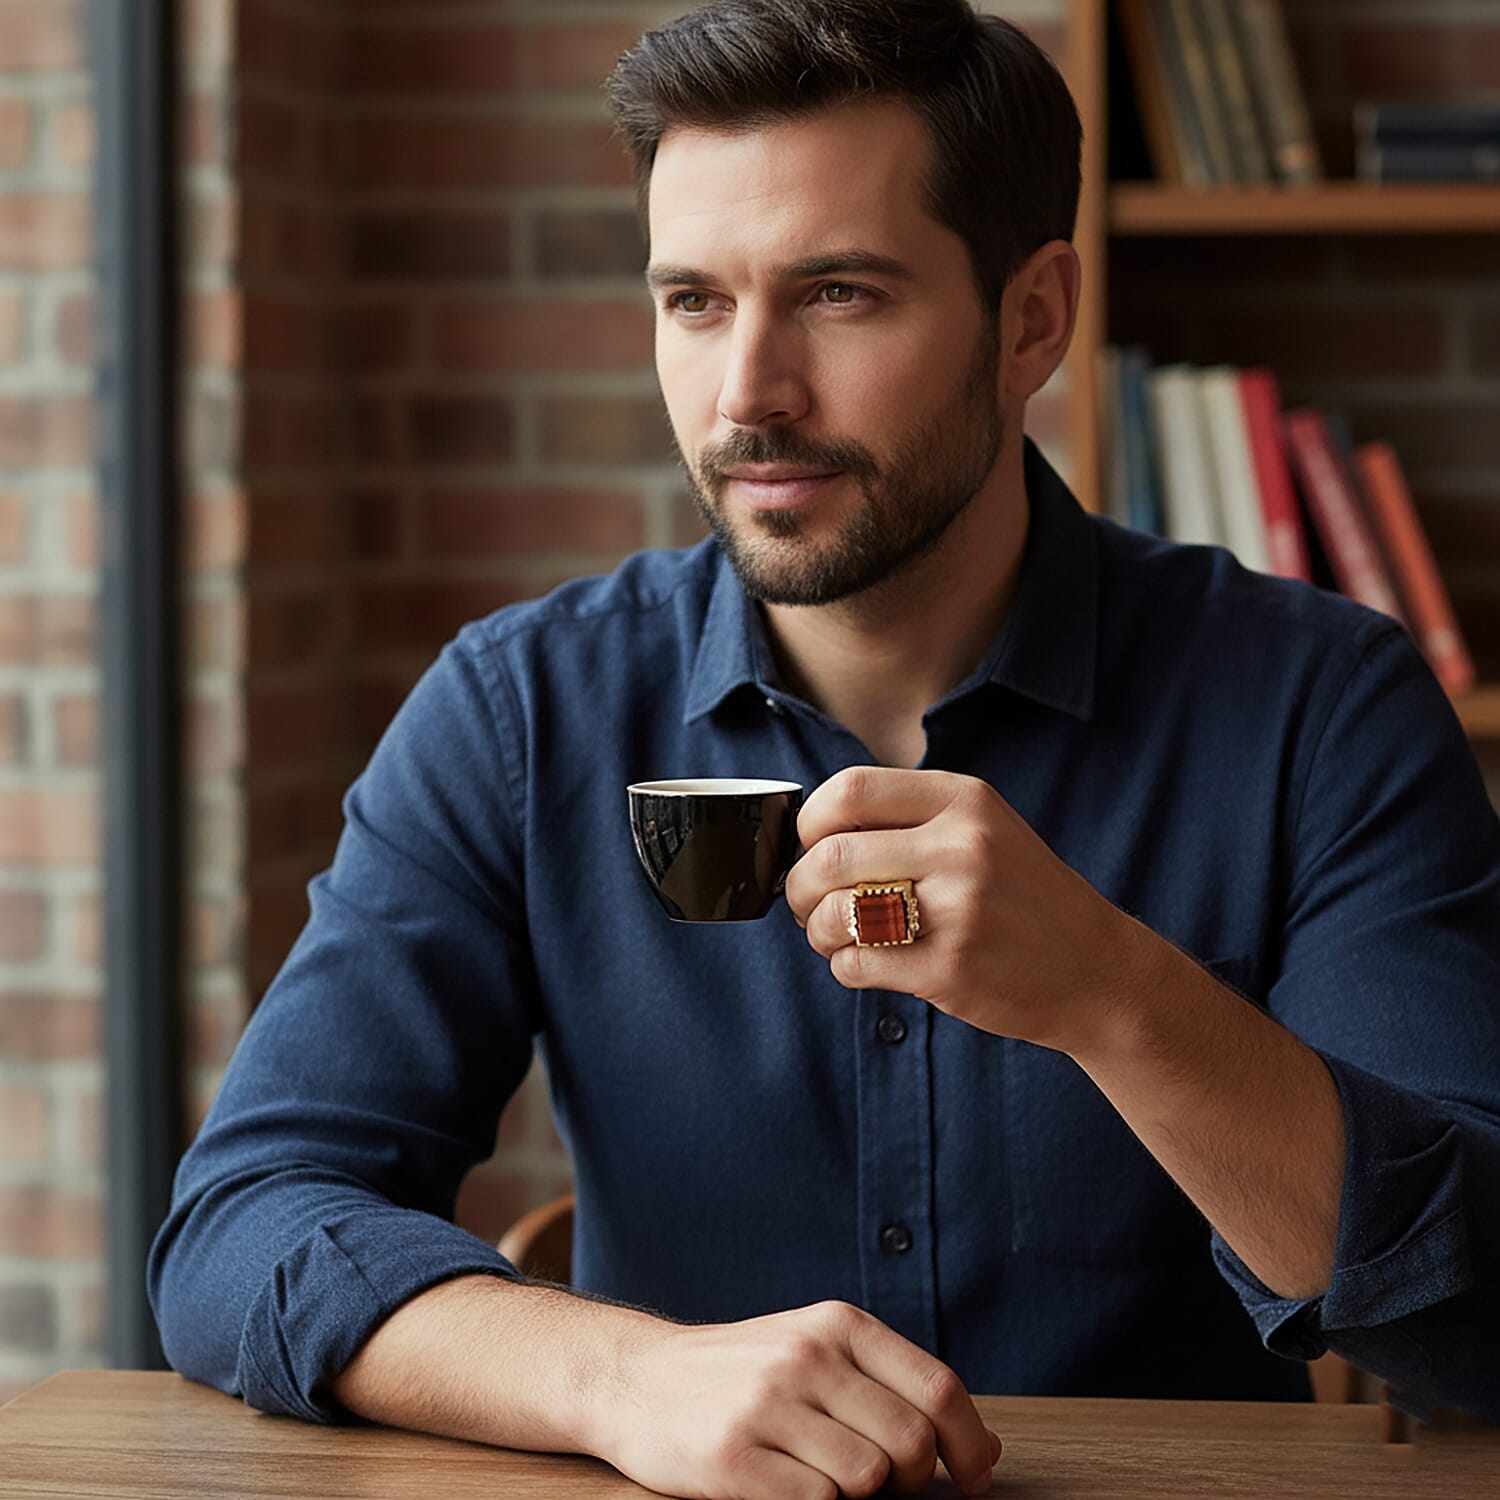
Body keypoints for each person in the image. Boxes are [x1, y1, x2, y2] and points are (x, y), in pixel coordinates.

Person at [149, 1, 1500, 1495]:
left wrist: (1115, 993)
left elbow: (1475, 1314)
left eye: (839, 293)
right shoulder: (522, 710)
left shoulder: (1325, 708)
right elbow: (243, 1228)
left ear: (1033, 317)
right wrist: (618, 1374)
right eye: (695, 303)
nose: (747, 397)